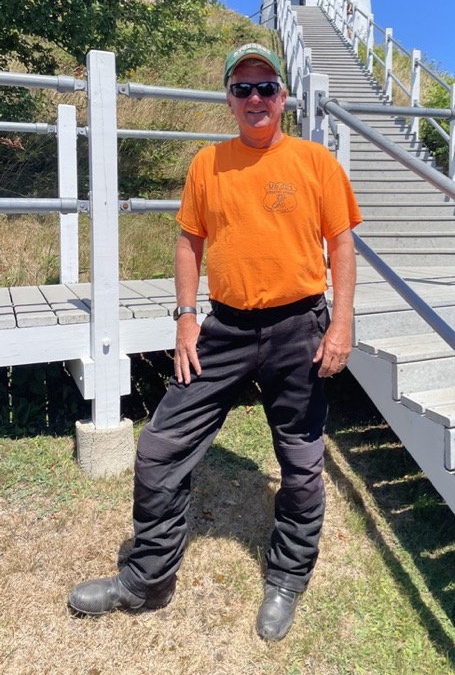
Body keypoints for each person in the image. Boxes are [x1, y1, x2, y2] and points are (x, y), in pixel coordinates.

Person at [68, 42, 362, 642]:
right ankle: (146, 581)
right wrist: (184, 316)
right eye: (241, 89)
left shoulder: (317, 163)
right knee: (157, 449)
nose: (254, 99)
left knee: (302, 466)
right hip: (223, 328)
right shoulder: (207, 164)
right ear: (228, 99)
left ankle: (286, 578)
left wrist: (343, 322)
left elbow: (341, 246)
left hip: (299, 326)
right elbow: (187, 243)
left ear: (283, 96)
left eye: (264, 88)